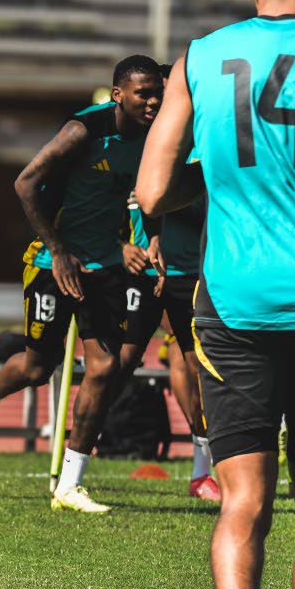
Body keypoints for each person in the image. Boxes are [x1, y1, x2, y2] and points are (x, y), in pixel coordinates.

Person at [137, 0, 295, 589]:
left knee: (243, 496)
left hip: (234, 303)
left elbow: (152, 193)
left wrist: (217, 176)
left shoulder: (200, 57)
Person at [0, 55, 164, 513]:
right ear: (117, 95)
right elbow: (25, 183)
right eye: (143, 93)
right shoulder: (82, 132)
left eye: (156, 92)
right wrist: (60, 250)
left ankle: (70, 486)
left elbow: (144, 199)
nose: (152, 101)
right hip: (53, 263)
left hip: (105, 265)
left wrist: (150, 241)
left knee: (105, 369)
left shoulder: (154, 136)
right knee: (36, 368)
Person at [122, 190, 219, 500]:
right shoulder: (135, 152)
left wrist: (163, 195)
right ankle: (74, 466)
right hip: (141, 272)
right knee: (118, 365)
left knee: (196, 365)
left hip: (191, 273)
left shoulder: (199, 150)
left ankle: (202, 471)